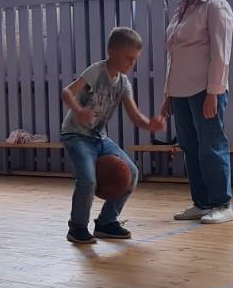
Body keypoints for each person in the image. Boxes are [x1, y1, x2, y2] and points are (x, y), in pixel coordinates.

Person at [60, 27, 165, 245]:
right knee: (88, 180)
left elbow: (135, 116)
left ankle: (106, 222)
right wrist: (78, 111)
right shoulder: (96, 71)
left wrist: (150, 124)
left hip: (98, 137)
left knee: (132, 173)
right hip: (76, 135)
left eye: (135, 59)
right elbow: (66, 92)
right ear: (112, 51)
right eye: (128, 58)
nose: (132, 63)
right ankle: (77, 227)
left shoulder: (123, 83)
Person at [165, 0, 233, 226]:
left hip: (205, 91)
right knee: (189, 147)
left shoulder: (216, 6)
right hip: (180, 92)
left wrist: (213, 94)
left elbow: (220, 55)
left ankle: (222, 203)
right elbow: (173, 54)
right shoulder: (181, 6)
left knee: (211, 146)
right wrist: (168, 94)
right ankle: (202, 202)